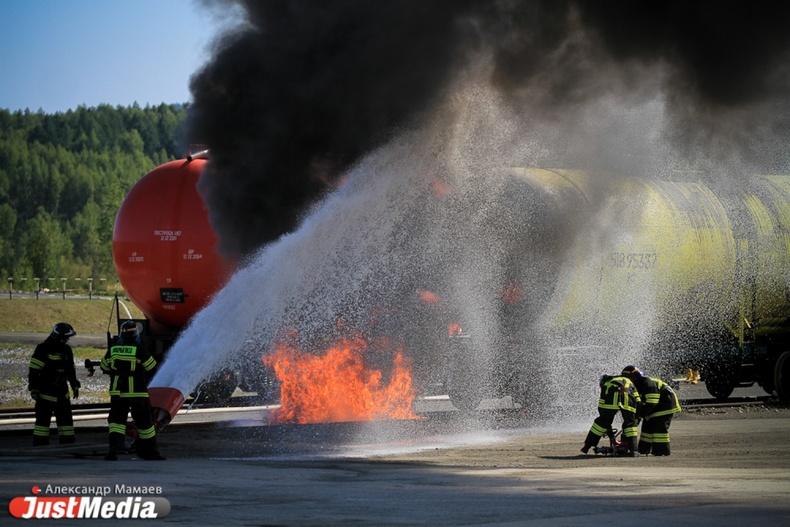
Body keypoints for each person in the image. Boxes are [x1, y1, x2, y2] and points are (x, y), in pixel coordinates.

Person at [100, 320, 164, 460]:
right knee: (145, 423)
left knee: (116, 422)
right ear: (135, 334)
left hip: (117, 392)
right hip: (137, 391)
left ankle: (114, 450)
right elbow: (151, 367)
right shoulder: (139, 349)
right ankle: (149, 452)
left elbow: (104, 366)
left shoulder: (113, 349)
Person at [28, 322, 80, 445]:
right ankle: (40, 445)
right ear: (59, 336)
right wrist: (34, 388)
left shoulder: (67, 350)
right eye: (66, 337)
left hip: (62, 393)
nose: (67, 339)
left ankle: (68, 444)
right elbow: (34, 371)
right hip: (45, 393)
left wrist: (74, 385)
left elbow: (70, 371)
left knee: (66, 423)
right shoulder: (43, 349)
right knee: (42, 423)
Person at [621, 365, 682, 456]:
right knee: (647, 428)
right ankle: (643, 450)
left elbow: (652, 402)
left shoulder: (648, 383)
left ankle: (661, 451)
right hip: (653, 407)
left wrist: (639, 415)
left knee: (659, 428)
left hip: (665, 405)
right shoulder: (634, 385)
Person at [581, 373, 641, 456]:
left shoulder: (606, 383)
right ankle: (633, 450)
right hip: (627, 398)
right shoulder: (627, 381)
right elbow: (637, 399)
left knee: (601, 423)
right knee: (630, 423)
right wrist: (637, 416)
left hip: (611, 398)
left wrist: (606, 425)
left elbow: (602, 406)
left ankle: (586, 447)